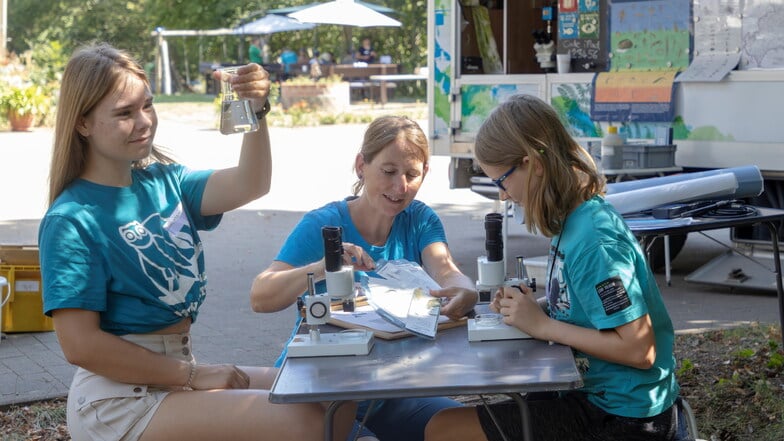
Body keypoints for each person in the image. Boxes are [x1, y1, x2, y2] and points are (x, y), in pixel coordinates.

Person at [38, 42, 355, 441]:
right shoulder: (72, 219)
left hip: (173, 376)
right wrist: (192, 374)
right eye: (124, 113)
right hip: (120, 401)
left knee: (334, 397)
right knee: (309, 423)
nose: (144, 122)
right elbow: (81, 346)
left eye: (147, 105)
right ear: (82, 123)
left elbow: (251, 182)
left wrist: (257, 110)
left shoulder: (166, 182)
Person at [423, 94, 691, 441]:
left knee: (444, 429)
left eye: (502, 181)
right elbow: (584, 308)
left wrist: (543, 325)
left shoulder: (594, 241)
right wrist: (532, 310)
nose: (502, 195)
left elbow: (639, 350)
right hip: (599, 396)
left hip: (625, 417)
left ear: (532, 162)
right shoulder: (574, 220)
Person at [250, 115, 479, 441]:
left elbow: (447, 271)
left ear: (425, 174)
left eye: (412, 175)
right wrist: (324, 265)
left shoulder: (419, 219)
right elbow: (260, 296)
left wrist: (465, 290)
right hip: (321, 392)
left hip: (391, 392)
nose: (400, 187)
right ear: (361, 166)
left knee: (469, 428)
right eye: (388, 172)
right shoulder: (325, 223)